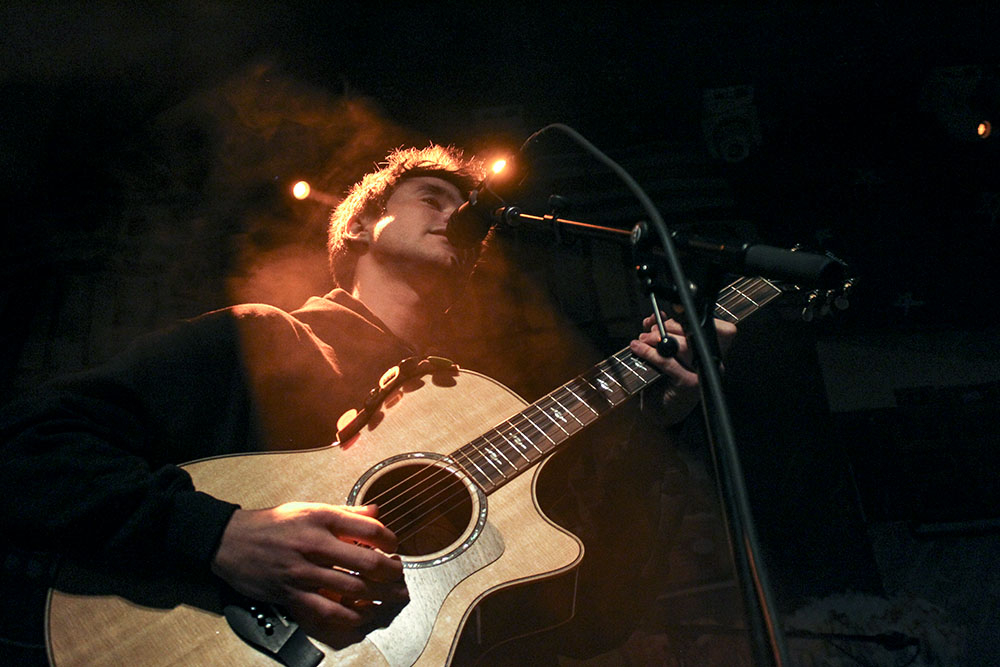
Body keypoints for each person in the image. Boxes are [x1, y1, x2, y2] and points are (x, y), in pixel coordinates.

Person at [0, 144, 734, 664]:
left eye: (468, 211)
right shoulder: (262, 337)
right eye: (432, 198)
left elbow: (598, 619)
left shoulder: (473, 409)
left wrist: (658, 426)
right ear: (357, 227)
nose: (458, 215)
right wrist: (217, 534)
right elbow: (24, 445)